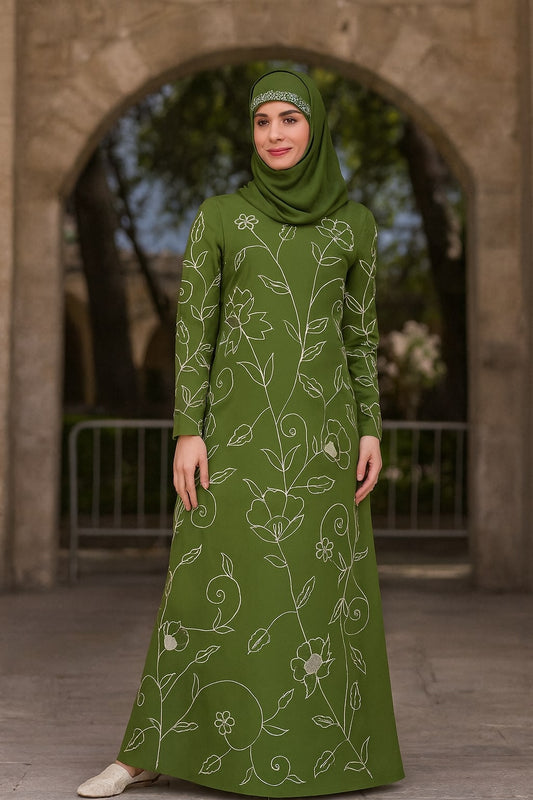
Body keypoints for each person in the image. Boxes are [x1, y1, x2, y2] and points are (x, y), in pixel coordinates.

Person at [77, 68, 404, 799]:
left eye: (289, 119)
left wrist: (370, 427)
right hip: (234, 437)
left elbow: (359, 337)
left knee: (315, 593)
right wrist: (186, 432)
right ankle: (148, 752)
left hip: (324, 440)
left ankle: (325, 750)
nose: (275, 134)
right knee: (207, 590)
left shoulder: (353, 225)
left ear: (314, 126)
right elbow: (194, 332)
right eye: (262, 122)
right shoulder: (221, 216)